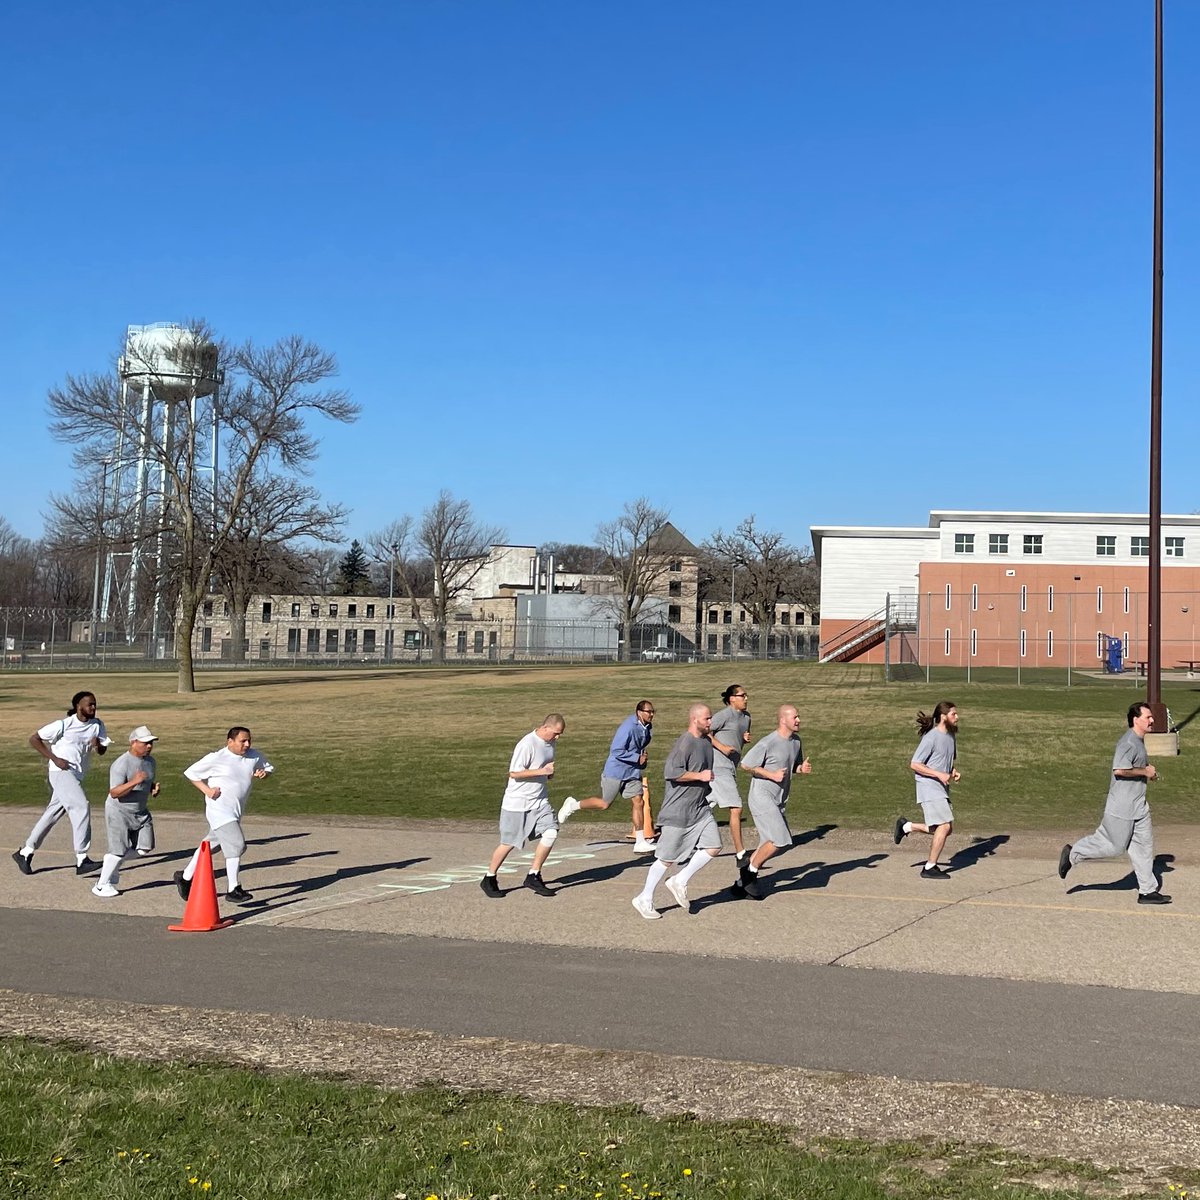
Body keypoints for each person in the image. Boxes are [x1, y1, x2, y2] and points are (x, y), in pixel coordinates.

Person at [1058, 702, 1170, 905]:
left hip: (1139, 807)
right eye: (1148, 717)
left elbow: (1133, 768)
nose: (1152, 720)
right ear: (1136, 720)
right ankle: (1073, 853)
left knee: (1144, 848)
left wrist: (1148, 774)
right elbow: (1119, 770)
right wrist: (1145, 772)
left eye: (1152, 717)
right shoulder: (1128, 742)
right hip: (1122, 808)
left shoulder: (1138, 741)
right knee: (1113, 847)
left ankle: (1147, 891)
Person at [631, 703, 720, 919]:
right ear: (695, 719)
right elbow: (671, 772)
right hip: (678, 812)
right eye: (707, 719)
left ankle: (679, 880)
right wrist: (700, 777)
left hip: (699, 809)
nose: (710, 722)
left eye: (711, 718)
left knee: (714, 846)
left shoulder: (706, 743)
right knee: (666, 858)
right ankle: (644, 897)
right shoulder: (685, 743)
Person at [175, 727, 274, 906]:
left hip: (236, 811)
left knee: (210, 845)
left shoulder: (254, 756)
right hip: (219, 810)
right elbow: (191, 773)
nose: (247, 744)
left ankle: (185, 877)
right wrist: (207, 790)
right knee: (236, 844)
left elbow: (267, 768)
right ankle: (233, 889)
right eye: (242, 741)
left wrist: (263, 774)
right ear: (230, 741)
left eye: (249, 740)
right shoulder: (217, 758)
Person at [14, 690, 109, 876]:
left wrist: (99, 745)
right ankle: (82, 858)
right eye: (90, 704)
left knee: (52, 814)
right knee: (81, 806)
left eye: (95, 704)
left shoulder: (97, 725)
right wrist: (55, 759)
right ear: (78, 707)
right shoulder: (63, 725)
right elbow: (34, 739)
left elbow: (102, 750)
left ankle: (25, 852)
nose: (93, 707)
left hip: (77, 775)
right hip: (61, 772)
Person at [480, 715, 566, 898]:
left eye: (560, 734)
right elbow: (514, 773)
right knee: (509, 843)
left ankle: (533, 875)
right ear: (545, 727)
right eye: (556, 733)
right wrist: (542, 771)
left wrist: (547, 775)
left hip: (540, 800)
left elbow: (543, 767)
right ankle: (489, 877)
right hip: (517, 802)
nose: (557, 738)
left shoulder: (551, 744)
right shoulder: (527, 744)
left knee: (551, 831)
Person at [557, 701, 657, 851]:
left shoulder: (647, 727)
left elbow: (641, 747)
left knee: (638, 801)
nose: (651, 714)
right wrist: (636, 758)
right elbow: (616, 750)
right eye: (648, 711)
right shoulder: (628, 727)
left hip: (632, 772)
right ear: (639, 712)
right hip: (615, 771)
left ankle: (640, 841)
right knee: (604, 804)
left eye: (652, 711)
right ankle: (572, 805)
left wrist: (641, 760)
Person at [736, 705, 811, 899]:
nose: (798, 720)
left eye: (798, 717)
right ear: (783, 720)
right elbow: (746, 764)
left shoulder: (796, 742)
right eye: (795, 717)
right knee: (781, 839)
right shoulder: (768, 742)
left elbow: (792, 766)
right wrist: (771, 774)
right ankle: (750, 872)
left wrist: (801, 769)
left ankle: (740, 885)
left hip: (779, 800)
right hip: (761, 796)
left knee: (777, 843)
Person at [893, 701, 960, 879]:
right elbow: (915, 764)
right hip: (928, 787)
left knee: (945, 828)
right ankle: (929, 867)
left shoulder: (951, 737)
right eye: (953, 714)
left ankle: (906, 827)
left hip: (941, 787)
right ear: (943, 716)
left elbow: (945, 762)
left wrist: (952, 772)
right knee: (944, 826)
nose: (957, 717)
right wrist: (939, 775)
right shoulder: (931, 737)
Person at [91, 725, 160, 898]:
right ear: (133, 742)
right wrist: (134, 782)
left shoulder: (150, 762)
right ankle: (101, 885)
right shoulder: (121, 764)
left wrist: (152, 788)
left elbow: (146, 781)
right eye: (145, 743)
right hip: (119, 812)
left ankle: (112, 863)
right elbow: (114, 793)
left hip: (140, 812)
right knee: (118, 850)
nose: (149, 746)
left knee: (145, 848)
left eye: (151, 742)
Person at [708, 684, 752, 864]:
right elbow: (705, 732)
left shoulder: (747, 717)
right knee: (736, 807)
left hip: (730, 767)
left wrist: (744, 739)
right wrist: (722, 747)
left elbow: (739, 735)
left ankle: (674, 840)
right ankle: (741, 853)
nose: (746, 698)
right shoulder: (723, 715)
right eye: (743, 695)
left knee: (701, 807)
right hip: (718, 766)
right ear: (732, 698)